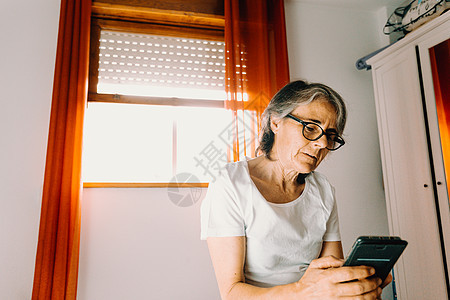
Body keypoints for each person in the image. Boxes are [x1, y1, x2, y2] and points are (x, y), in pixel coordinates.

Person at [200, 80, 392, 299]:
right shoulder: (230, 183)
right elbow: (231, 292)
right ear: (275, 121)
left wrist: (353, 287)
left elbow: (328, 273)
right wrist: (304, 292)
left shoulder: (323, 190)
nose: (322, 144)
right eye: (311, 128)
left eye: (330, 136)